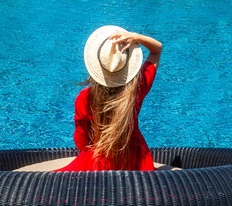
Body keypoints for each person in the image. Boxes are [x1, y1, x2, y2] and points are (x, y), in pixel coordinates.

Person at [56, 25, 162, 172]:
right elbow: (157, 49)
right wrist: (135, 37)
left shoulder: (84, 98)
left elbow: (81, 140)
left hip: (98, 162)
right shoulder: (137, 90)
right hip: (134, 161)